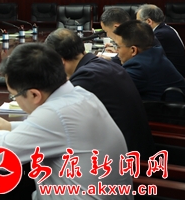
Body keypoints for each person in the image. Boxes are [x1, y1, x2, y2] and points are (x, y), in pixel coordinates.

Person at [0, 44, 133, 200]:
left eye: (14, 95)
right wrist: (11, 128)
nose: (15, 99)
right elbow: (63, 133)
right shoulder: (81, 94)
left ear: (34, 94)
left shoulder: (54, 114)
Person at [45, 28, 155, 158]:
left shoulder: (87, 78)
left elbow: (56, 119)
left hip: (125, 160)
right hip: (135, 148)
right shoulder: (102, 65)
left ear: (59, 61)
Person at [113, 20, 185, 102]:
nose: (116, 51)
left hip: (175, 110)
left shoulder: (139, 67)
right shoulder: (153, 54)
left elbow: (112, 90)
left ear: (133, 50)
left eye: (118, 46)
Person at [136, 4, 185, 77]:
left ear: (148, 21)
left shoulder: (160, 35)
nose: (137, 26)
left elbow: (140, 55)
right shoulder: (165, 28)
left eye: (138, 22)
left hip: (174, 77)